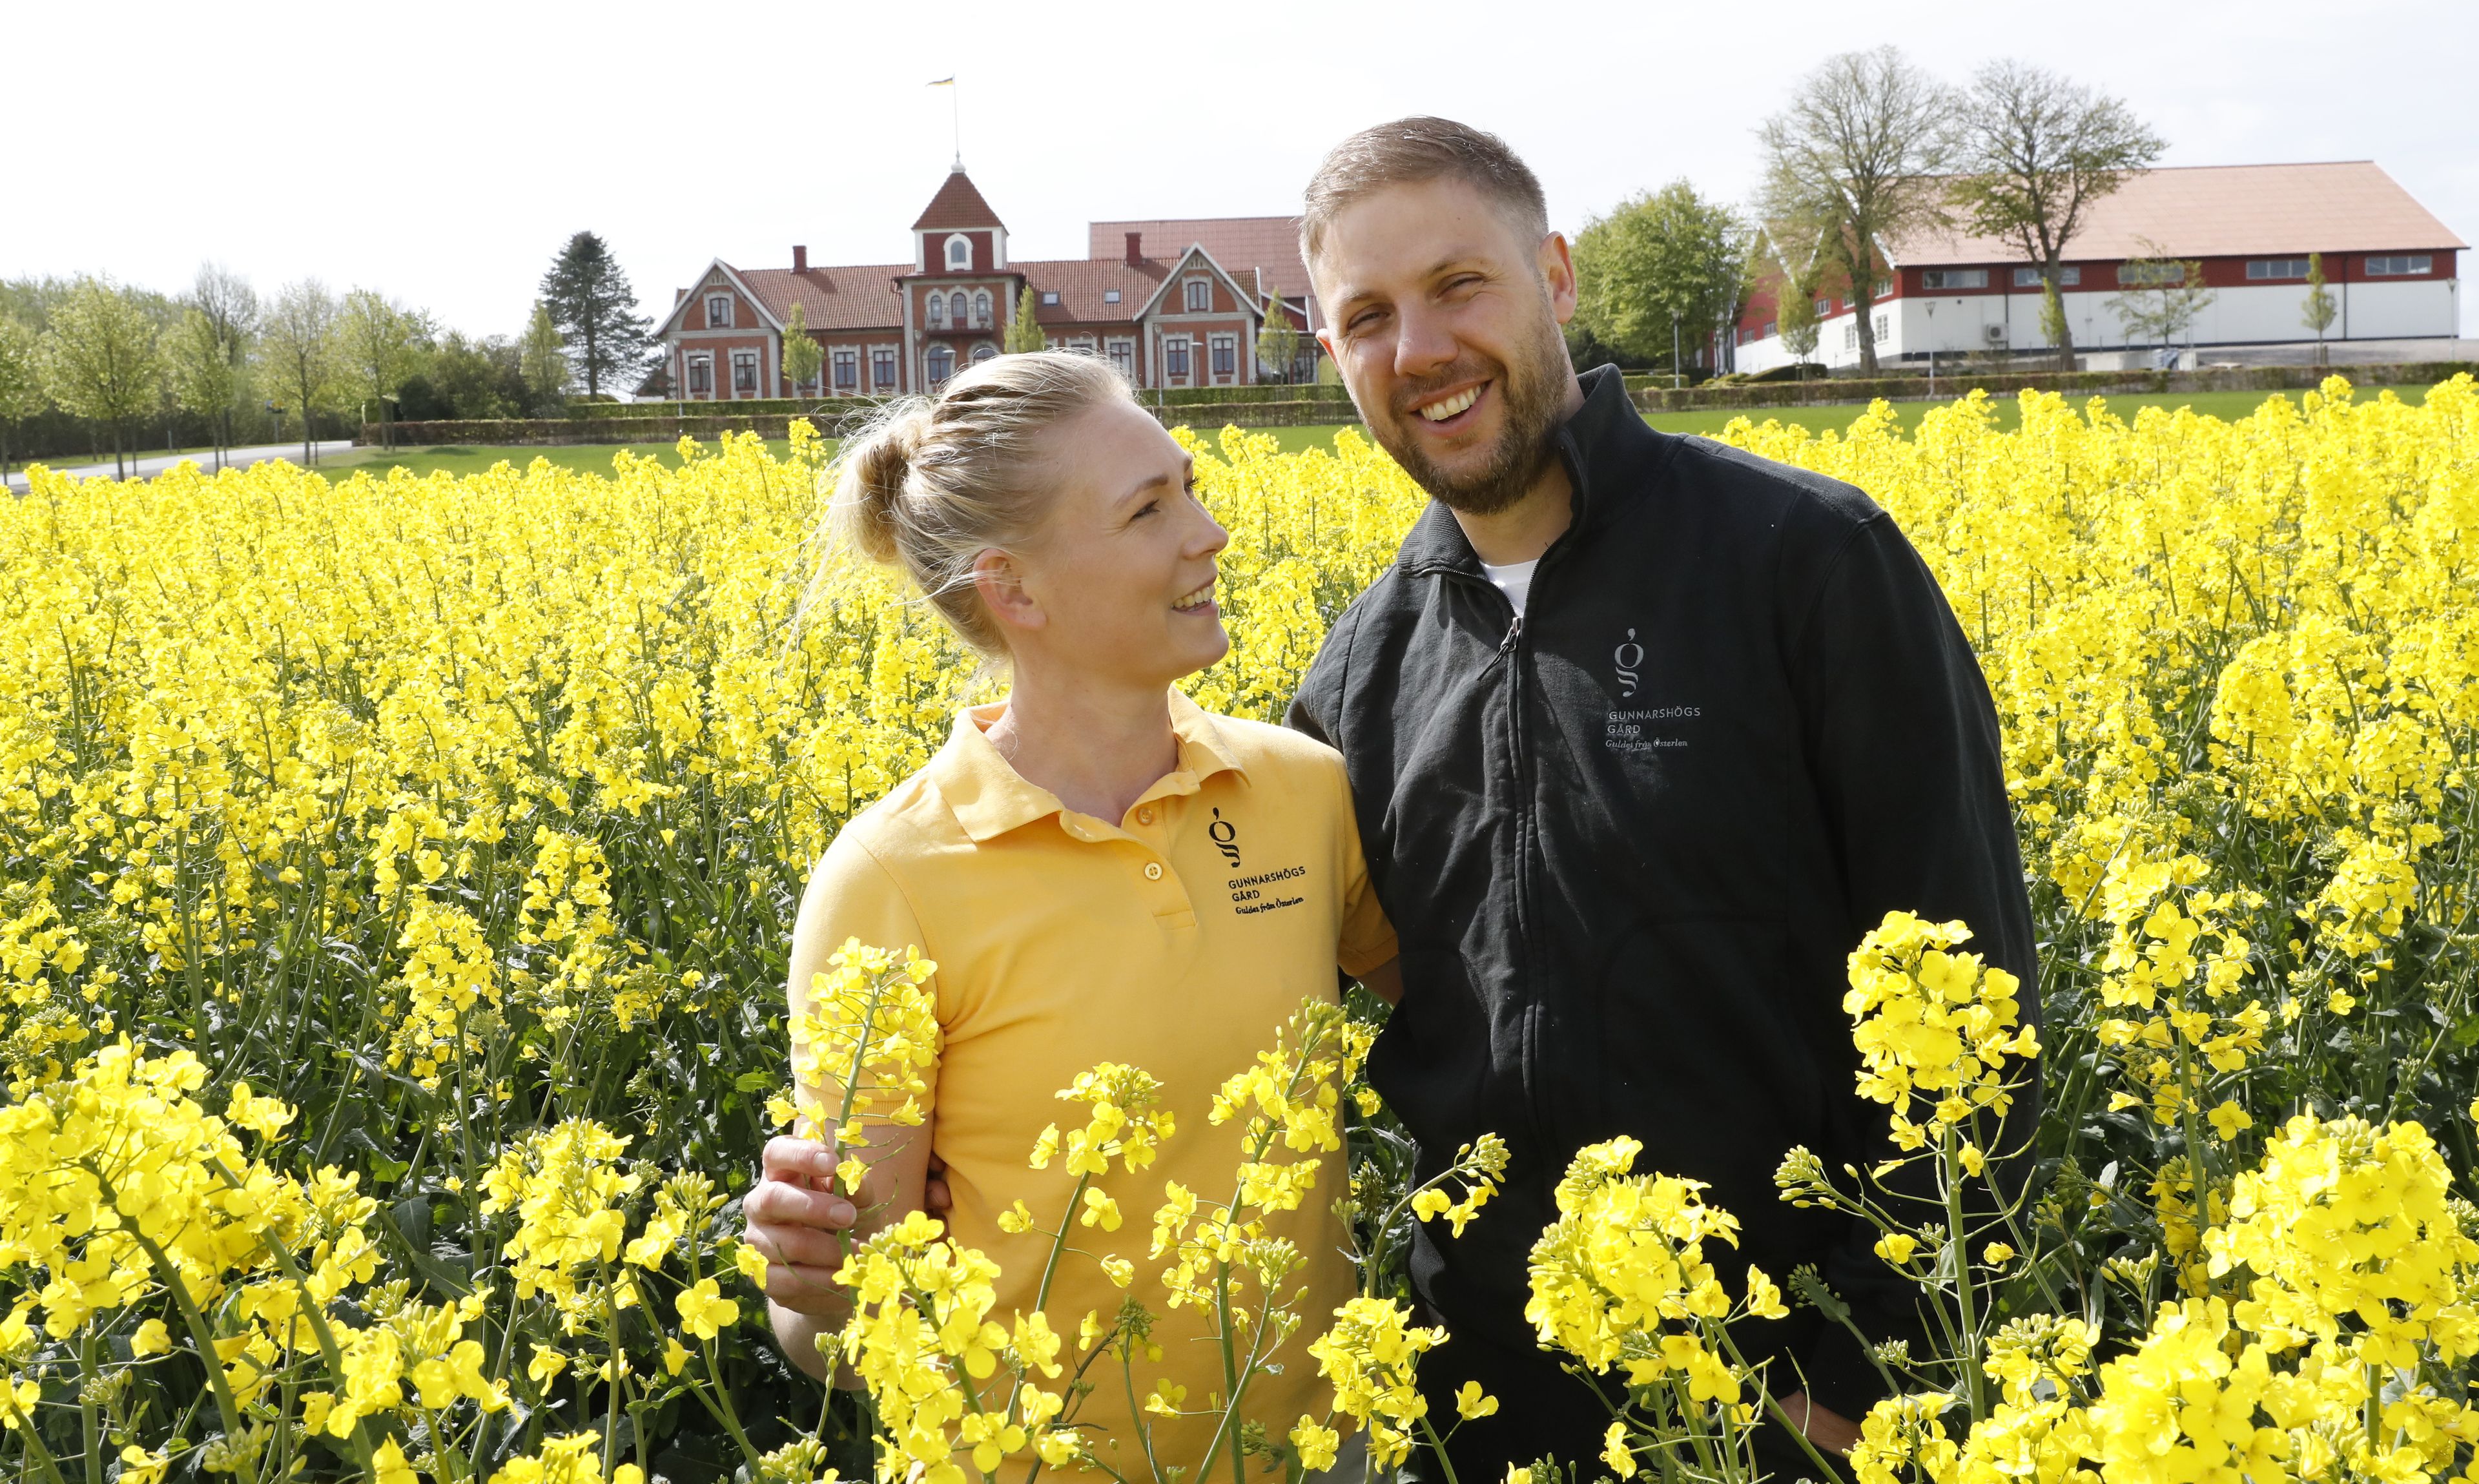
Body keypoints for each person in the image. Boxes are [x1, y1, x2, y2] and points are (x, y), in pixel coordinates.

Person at [1282, 118, 2040, 1479]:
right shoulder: (1357, 675)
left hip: (1794, 1408)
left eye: (1462, 284)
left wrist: (1879, 1367)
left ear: (1557, 277)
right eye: (1369, 316)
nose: (1422, 351)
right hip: (1489, 1422)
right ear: (1333, 353)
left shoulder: (1807, 563)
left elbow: (1975, 978)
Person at [737, 353, 1398, 1481]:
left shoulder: (1305, 792)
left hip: (1321, 1451)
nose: (1210, 533)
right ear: (1018, 589)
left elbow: (1478, 1031)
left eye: (1189, 486)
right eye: (1150, 510)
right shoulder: (891, 879)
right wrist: (813, 1285)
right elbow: (845, 1333)